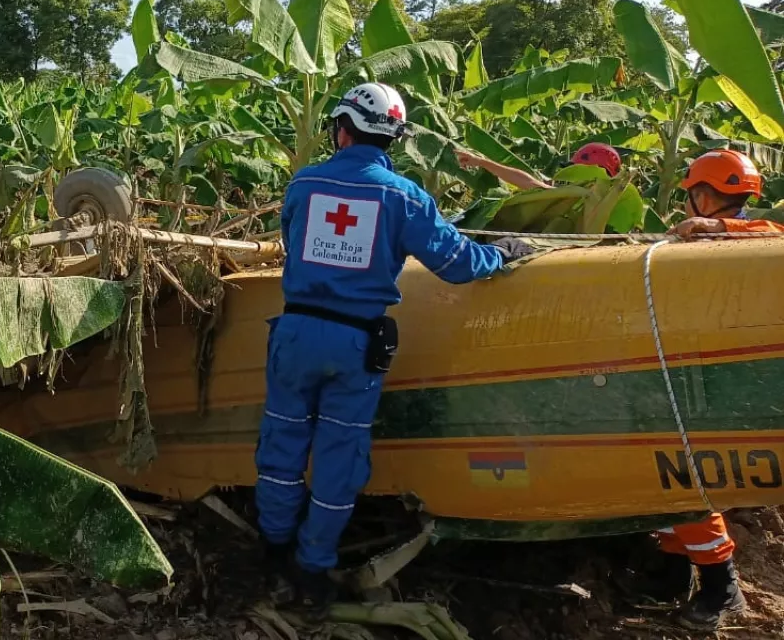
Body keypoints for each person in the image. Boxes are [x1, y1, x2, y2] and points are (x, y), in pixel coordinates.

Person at [257, 82, 530, 614]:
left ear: (341, 130)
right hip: (355, 344)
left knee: (282, 441)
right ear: (392, 139)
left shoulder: (304, 184)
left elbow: (293, 243)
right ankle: (311, 567)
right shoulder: (405, 197)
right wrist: (501, 253)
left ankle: (271, 549)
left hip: (295, 334)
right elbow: (457, 265)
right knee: (340, 457)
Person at [648, 149, 782, 629]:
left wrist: (714, 228)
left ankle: (722, 590)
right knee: (663, 479)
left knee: (684, 480)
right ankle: (670, 573)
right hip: (698, 376)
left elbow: (773, 235)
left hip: (714, 383)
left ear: (702, 196)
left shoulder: (748, 238)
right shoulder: (719, 238)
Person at [453, 142, 621, 190]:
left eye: (576, 171)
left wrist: (481, 162)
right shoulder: (573, 193)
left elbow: (529, 183)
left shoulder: (585, 196)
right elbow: (531, 181)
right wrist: (481, 162)